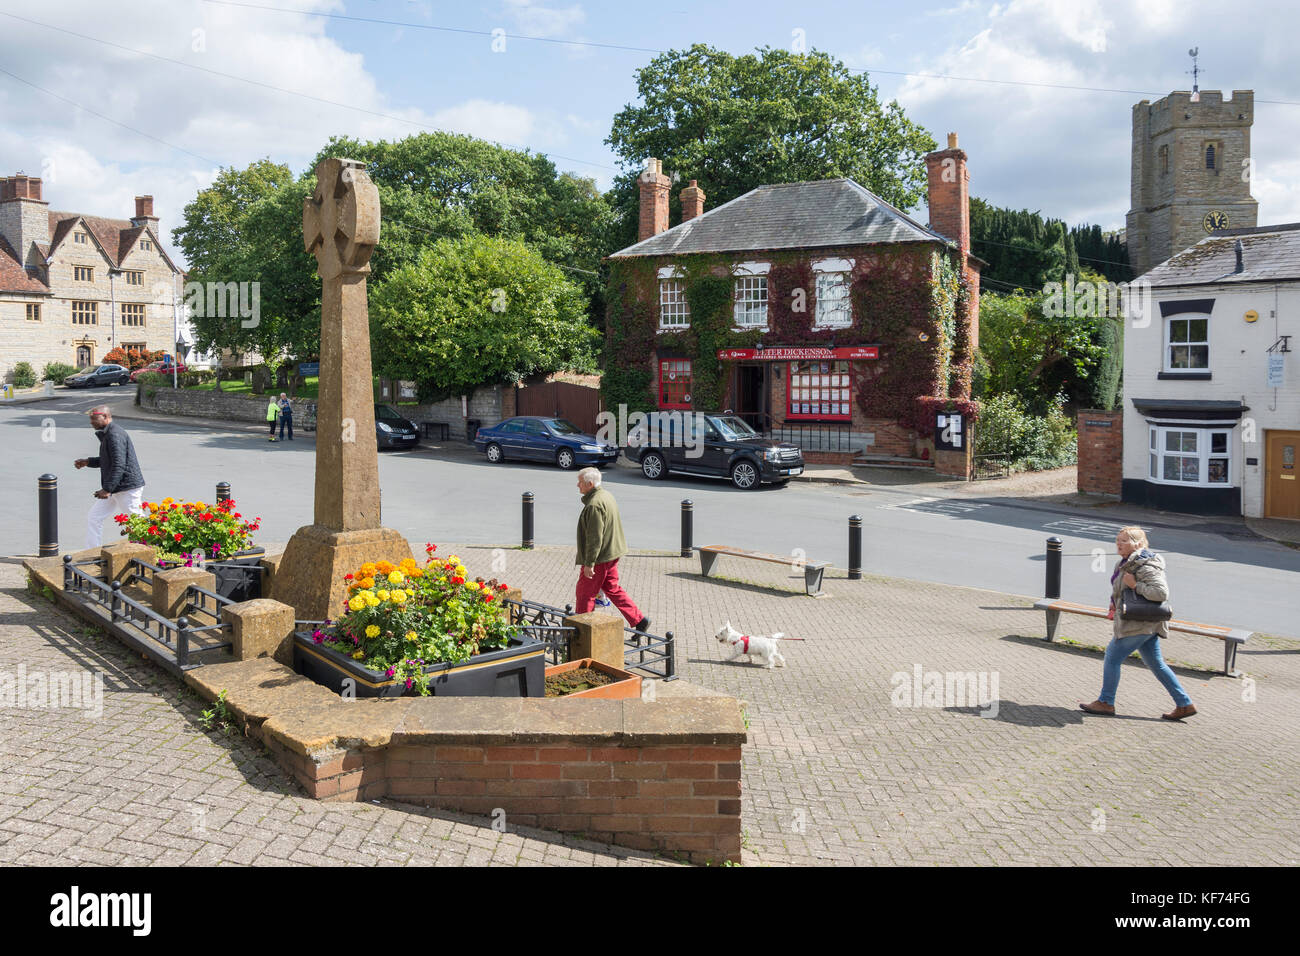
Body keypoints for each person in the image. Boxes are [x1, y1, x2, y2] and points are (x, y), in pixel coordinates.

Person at [1081, 526, 1196, 721]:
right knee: (1156, 664)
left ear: (1139, 544)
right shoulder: (1125, 562)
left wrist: (1136, 585)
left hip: (1139, 623)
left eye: (1124, 540)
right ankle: (1184, 704)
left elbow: (1161, 593)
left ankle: (1106, 702)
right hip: (1142, 622)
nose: (1119, 544)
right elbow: (1119, 587)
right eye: (1118, 540)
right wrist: (1112, 603)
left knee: (1112, 657)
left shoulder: (1146, 564)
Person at [574, 467, 650, 633]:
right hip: (612, 552)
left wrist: (589, 563)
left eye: (580, 482)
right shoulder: (606, 495)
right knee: (612, 588)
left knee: (585, 593)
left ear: (589, 484)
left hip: (600, 557)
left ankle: (582, 630)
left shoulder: (594, 505)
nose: (577, 485)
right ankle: (639, 620)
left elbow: (595, 538)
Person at [75, 405, 146, 548]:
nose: (91, 422)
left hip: (126, 487)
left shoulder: (115, 434)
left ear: (106, 417)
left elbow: (119, 465)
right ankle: (92, 551)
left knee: (137, 522)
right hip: (115, 487)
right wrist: (88, 462)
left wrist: (107, 489)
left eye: (94, 419)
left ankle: (149, 551)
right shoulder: (108, 433)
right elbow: (108, 460)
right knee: (94, 517)